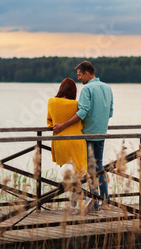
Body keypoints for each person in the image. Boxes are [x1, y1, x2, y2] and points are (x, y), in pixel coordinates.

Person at [53, 61, 114, 211]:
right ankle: (105, 202)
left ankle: (93, 203)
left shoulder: (87, 89)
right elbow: (110, 112)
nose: (79, 78)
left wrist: (63, 125)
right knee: (99, 168)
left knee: (87, 169)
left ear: (87, 73)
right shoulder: (108, 88)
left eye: (79, 75)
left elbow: (82, 112)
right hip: (101, 133)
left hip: (87, 135)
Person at [47, 78, 87, 174]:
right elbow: (83, 121)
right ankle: (77, 188)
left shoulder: (52, 102)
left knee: (65, 173)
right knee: (77, 174)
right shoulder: (77, 105)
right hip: (77, 141)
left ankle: (67, 188)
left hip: (61, 141)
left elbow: (49, 122)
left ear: (61, 89)